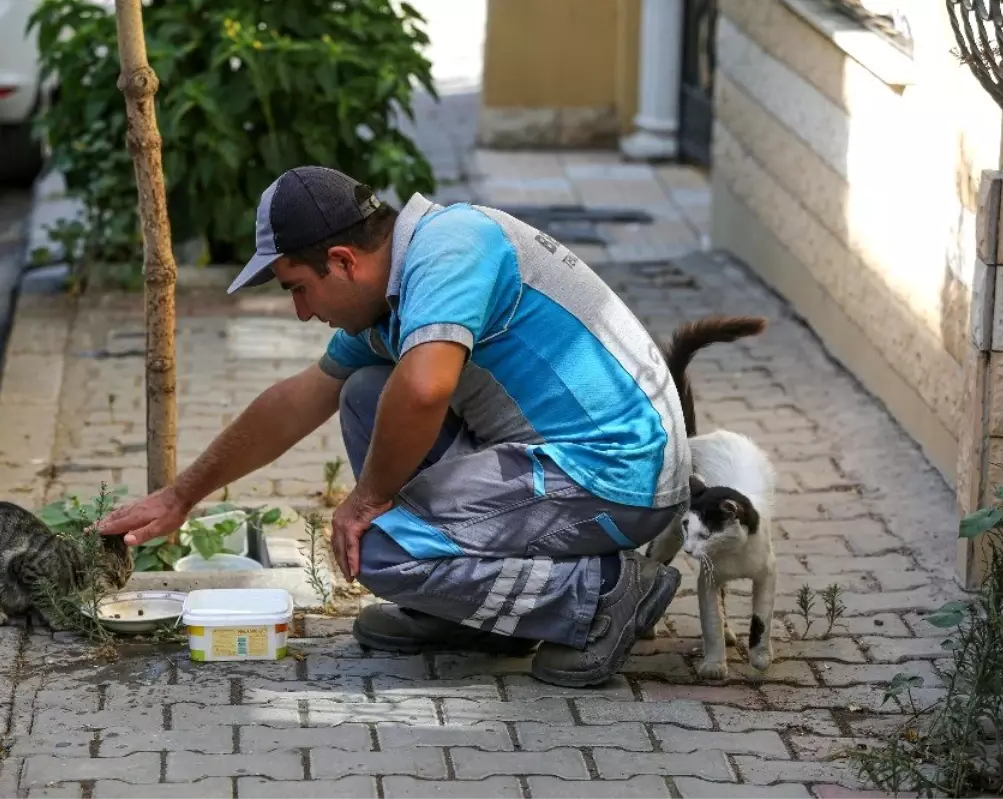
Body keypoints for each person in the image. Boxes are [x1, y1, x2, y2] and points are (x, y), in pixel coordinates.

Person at [97, 165, 690, 687]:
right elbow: (293, 403)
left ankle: (602, 596)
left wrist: (367, 500)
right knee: (364, 392)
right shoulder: (392, 296)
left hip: (619, 473)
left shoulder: (450, 249)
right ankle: (477, 614)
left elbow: (427, 387)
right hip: (568, 466)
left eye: (298, 288)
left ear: (343, 261)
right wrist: (181, 496)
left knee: (378, 545)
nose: (302, 311)